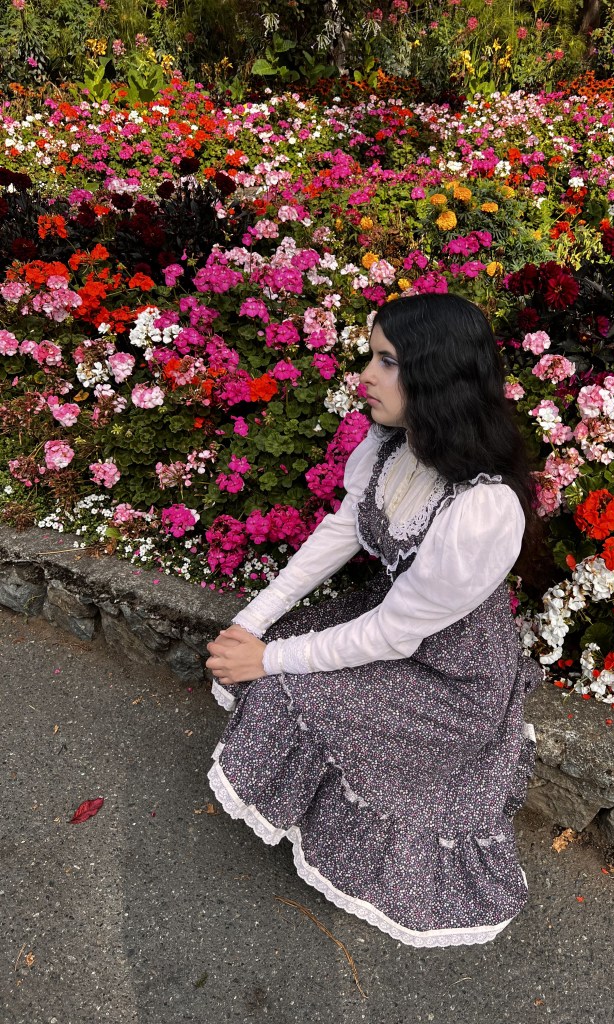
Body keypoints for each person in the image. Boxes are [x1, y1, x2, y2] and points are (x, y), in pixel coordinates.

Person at [205, 292, 544, 948]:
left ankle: (366, 850)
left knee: (281, 680)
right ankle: (321, 816)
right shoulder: (394, 444)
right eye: (372, 354)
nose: (364, 374)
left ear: (437, 374)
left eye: (387, 360)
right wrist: (252, 623)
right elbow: (341, 531)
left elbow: (394, 634)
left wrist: (266, 658)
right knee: (274, 650)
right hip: (397, 624)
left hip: (453, 679)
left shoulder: (482, 511)